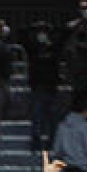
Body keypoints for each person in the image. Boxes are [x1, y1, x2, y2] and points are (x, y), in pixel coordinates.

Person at [23, 22, 61, 151]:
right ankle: (36, 141)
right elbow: (22, 35)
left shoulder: (54, 48)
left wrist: (52, 29)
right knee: (37, 116)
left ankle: (52, 141)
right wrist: (32, 27)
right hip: (38, 87)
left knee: (52, 117)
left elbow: (64, 35)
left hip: (51, 87)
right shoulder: (33, 49)